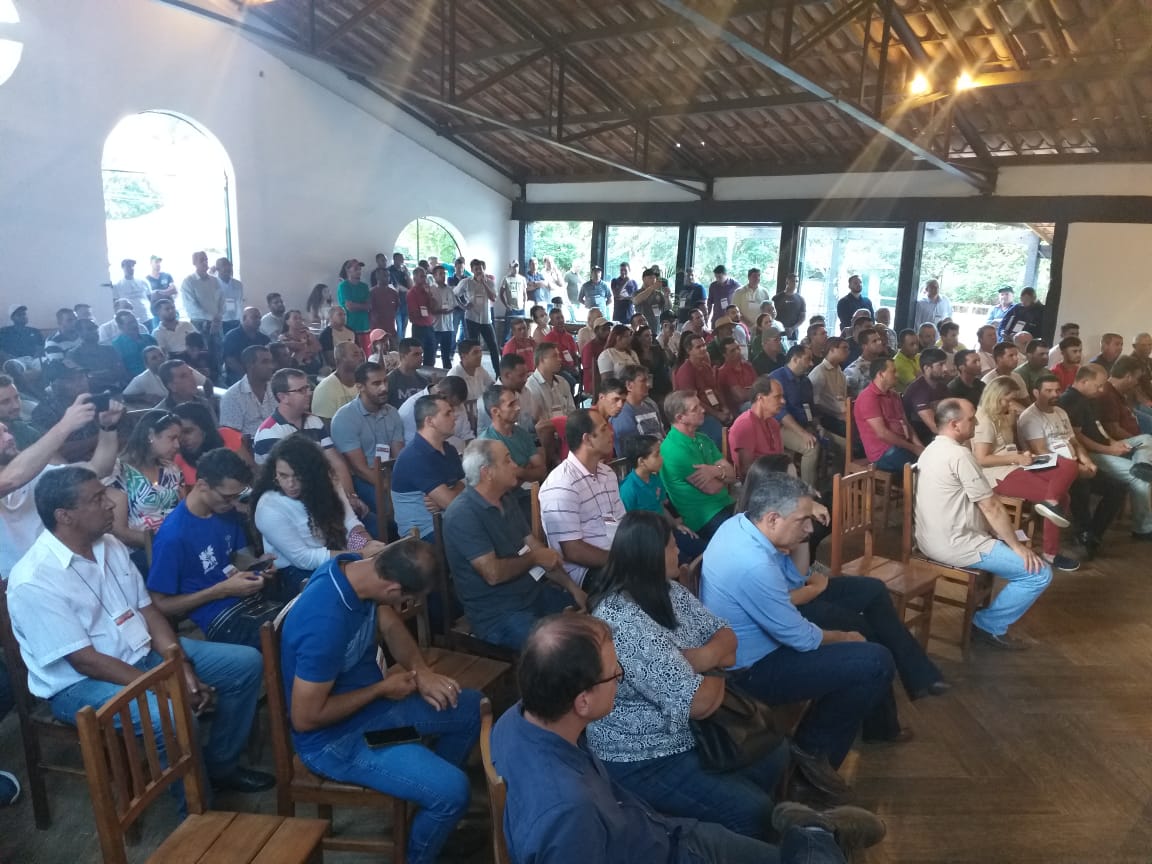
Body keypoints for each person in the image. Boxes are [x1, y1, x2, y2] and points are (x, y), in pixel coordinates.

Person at [493, 613, 881, 864]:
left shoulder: (518, 719)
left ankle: (813, 836)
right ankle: (818, 833)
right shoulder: (569, 813)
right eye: (614, 674)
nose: (621, 678)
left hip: (664, 833)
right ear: (582, 701)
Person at [7, 465, 273, 796]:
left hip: (140, 652)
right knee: (172, 715)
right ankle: (196, 811)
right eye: (97, 498)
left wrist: (180, 665)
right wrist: (167, 685)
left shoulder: (109, 544)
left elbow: (147, 610)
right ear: (65, 516)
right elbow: (85, 660)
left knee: (245, 664)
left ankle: (220, 766)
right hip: (80, 684)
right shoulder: (34, 580)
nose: (111, 504)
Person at [584, 509, 790, 838]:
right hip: (643, 757)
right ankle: (724, 842)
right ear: (651, 555)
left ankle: (728, 835)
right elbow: (700, 703)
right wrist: (714, 663)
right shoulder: (622, 622)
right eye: (671, 545)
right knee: (754, 811)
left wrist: (697, 659)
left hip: (688, 732)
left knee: (774, 753)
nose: (678, 550)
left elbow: (728, 638)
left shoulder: (669, 591)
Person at [279, 538, 482, 864]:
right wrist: (380, 689)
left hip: (379, 714)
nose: (406, 605)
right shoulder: (324, 622)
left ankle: (427, 805)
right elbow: (305, 718)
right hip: (337, 742)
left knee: (471, 707)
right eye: (408, 599)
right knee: (453, 791)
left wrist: (421, 671)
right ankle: (423, 840)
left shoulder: (357, 570)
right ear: (393, 588)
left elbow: (389, 624)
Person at [701, 471, 896, 782]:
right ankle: (810, 761)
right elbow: (802, 638)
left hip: (762, 647)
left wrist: (799, 539)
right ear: (773, 518)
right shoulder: (753, 563)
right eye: (802, 520)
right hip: (750, 671)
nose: (810, 528)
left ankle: (819, 749)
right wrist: (846, 637)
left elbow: (794, 579)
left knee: (862, 639)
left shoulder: (741, 525)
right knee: (874, 661)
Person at [915, 399, 1053, 650]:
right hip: (956, 544)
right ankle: (987, 625)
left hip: (931, 538)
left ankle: (987, 619)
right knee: (1039, 574)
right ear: (955, 424)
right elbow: (991, 506)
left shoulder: (931, 449)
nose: (977, 423)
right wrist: (1016, 546)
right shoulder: (959, 454)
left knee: (1015, 541)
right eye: (971, 419)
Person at [442, 438, 585, 648]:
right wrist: (535, 558)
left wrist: (573, 589)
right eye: (507, 461)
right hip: (498, 615)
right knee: (560, 647)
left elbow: (537, 550)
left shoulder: (506, 499)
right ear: (487, 472)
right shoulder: (462, 514)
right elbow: (493, 573)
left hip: (533, 595)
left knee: (591, 618)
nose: (515, 466)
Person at [148, 448, 293, 644]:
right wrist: (221, 590)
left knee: (307, 613)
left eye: (237, 496)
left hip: (252, 599)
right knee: (291, 636)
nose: (233, 503)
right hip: (219, 615)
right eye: (227, 497)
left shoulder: (226, 513)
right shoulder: (173, 536)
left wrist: (259, 565)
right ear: (202, 485)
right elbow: (160, 604)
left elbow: (240, 559)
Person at [0, 392, 122, 579]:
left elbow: (99, 468)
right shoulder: (17, 475)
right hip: (19, 580)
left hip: (63, 566)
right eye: (0, 436)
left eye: (6, 431)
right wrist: (66, 424)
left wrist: (108, 427)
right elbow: (10, 480)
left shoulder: (35, 471)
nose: (9, 437)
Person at [973, 376, 1079, 571]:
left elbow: (1005, 448)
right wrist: (1017, 458)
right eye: (1007, 400)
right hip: (997, 474)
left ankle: (1050, 502)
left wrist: (1022, 454)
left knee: (1069, 465)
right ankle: (1051, 553)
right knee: (1062, 497)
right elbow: (981, 459)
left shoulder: (1000, 414)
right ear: (995, 397)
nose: (1010, 404)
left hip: (1014, 464)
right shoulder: (984, 420)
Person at [252, 434, 384, 587]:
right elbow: (304, 559)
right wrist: (359, 555)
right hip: (296, 572)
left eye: (298, 476)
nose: (290, 484)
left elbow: (348, 522)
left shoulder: (328, 483)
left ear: (313, 475)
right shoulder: (269, 507)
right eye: (283, 475)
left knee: (380, 570)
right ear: (274, 472)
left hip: (335, 553)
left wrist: (367, 546)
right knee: (364, 584)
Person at [1020, 375, 1125, 560]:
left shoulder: (1060, 412)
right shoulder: (1030, 417)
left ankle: (1091, 534)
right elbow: (1042, 452)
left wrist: (1087, 461)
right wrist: (1075, 468)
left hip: (1073, 463)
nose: (1055, 394)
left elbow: (1075, 442)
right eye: (1048, 391)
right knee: (1080, 487)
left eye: (1057, 390)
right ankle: (1084, 534)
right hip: (1050, 469)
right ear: (1036, 393)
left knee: (1118, 487)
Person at [1058, 364, 1152, 540]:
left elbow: (1098, 428)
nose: (1102, 390)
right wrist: (1109, 449)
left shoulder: (1088, 398)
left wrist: (1113, 443)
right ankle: (1143, 529)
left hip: (1105, 446)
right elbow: (1078, 438)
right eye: (1098, 385)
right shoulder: (1072, 401)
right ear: (1084, 382)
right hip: (1092, 454)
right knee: (1139, 479)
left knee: (1146, 439)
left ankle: (1142, 464)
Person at [539, 409, 626, 591]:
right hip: (584, 571)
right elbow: (572, 551)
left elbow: (622, 521)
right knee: (641, 583)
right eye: (604, 429)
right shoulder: (561, 484)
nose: (611, 433)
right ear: (587, 439)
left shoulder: (607, 473)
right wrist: (622, 560)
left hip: (616, 555)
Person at [106, 410, 185, 573]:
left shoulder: (171, 470)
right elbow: (119, 531)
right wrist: (163, 542)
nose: (177, 445)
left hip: (174, 545)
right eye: (172, 438)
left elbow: (184, 510)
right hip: (136, 554)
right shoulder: (119, 473)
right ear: (150, 435)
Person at [659, 391, 737, 541]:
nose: (703, 410)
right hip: (704, 518)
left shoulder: (702, 438)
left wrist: (714, 471)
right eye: (695, 409)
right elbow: (712, 488)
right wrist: (722, 472)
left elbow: (733, 475)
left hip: (726, 504)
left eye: (700, 405)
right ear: (680, 418)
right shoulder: (673, 449)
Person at [331, 359, 406, 515]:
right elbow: (359, 468)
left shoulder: (392, 412)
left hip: (389, 473)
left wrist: (404, 483)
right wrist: (389, 487)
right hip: (361, 479)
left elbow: (399, 457)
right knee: (393, 508)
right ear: (360, 387)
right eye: (376, 383)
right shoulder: (345, 418)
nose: (384, 388)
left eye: (385, 381)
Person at [391, 394, 465, 541]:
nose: (454, 417)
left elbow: (464, 486)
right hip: (422, 535)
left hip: (447, 520)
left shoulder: (449, 449)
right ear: (430, 421)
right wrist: (451, 497)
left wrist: (448, 497)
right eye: (447, 413)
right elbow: (452, 503)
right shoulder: (414, 456)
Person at [854, 357, 924, 473]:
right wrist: (913, 448)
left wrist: (920, 447)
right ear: (880, 374)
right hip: (882, 452)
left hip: (902, 445)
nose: (897, 375)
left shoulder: (894, 395)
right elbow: (882, 433)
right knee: (922, 467)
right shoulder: (868, 398)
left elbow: (906, 424)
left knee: (929, 458)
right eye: (893, 371)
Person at [768, 345, 821, 487]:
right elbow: (781, 414)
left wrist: (816, 425)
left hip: (803, 424)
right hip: (779, 427)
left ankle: (829, 485)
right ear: (795, 359)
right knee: (811, 448)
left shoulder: (805, 381)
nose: (811, 363)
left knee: (834, 442)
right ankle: (807, 491)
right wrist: (803, 433)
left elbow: (810, 407)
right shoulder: (776, 379)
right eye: (808, 359)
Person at [673, 332, 729, 446]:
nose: (703, 349)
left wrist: (725, 407)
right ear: (689, 351)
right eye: (698, 347)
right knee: (721, 437)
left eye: (704, 345)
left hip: (715, 410)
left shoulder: (706, 366)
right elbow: (692, 402)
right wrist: (717, 414)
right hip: (698, 415)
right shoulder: (685, 372)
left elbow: (716, 389)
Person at [172, 400, 247, 485]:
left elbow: (252, 473)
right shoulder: (177, 460)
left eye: (187, 432)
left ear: (205, 428)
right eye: (177, 434)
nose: (182, 439)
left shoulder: (227, 436)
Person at [728, 376, 787, 478]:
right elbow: (746, 470)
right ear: (760, 398)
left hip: (776, 476)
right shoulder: (745, 424)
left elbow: (780, 457)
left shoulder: (773, 423)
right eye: (777, 397)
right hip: (758, 481)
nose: (783, 401)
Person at [219, 344, 277, 437]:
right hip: (250, 444)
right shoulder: (232, 396)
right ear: (250, 365)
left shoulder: (277, 388)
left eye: (271, 362)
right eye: (265, 362)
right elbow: (230, 436)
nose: (271, 366)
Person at [455, 259, 501, 371]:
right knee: (473, 347)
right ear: (472, 270)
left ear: (483, 269)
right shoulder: (466, 282)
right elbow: (455, 294)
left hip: (486, 319)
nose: (478, 271)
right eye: (476, 269)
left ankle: (498, 373)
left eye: (480, 269)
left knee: (493, 346)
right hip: (471, 318)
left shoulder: (490, 282)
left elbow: (493, 298)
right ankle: (473, 371)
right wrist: (463, 306)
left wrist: (484, 283)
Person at [610, 364, 663, 455]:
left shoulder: (651, 404)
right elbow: (631, 450)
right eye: (643, 381)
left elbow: (662, 434)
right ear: (629, 385)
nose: (649, 385)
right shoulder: (622, 412)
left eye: (648, 380)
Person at [902, 347, 951, 444]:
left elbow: (952, 411)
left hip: (939, 432)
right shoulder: (918, 390)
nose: (946, 368)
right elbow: (934, 427)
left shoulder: (942, 386)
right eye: (941, 365)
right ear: (926, 368)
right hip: (922, 437)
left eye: (945, 363)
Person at [67, 318, 128, 390]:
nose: (95, 331)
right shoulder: (74, 354)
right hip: (93, 393)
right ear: (80, 333)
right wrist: (107, 372)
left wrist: (94, 374)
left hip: (117, 389)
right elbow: (83, 379)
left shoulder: (109, 349)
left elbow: (120, 372)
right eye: (90, 329)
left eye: (95, 327)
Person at [808, 336, 849, 440]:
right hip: (827, 417)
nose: (847, 351)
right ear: (832, 349)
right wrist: (837, 414)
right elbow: (815, 403)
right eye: (844, 348)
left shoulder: (840, 371)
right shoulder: (819, 372)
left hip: (843, 414)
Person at [312, 341, 365, 421]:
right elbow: (324, 425)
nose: (361, 358)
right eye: (355, 355)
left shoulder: (365, 382)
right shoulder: (325, 389)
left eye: (361, 354)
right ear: (341, 358)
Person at [221, 306, 270, 386]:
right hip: (237, 374)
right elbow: (229, 360)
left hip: (259, 373)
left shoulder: (264, 338)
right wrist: (248, 376)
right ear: (244, 318)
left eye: (259, 318)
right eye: (254, 317)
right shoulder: (232, 336)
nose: (258, 320)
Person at [449, 337, 495, 408]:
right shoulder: (454, 375)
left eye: (480, 351)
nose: (480, 355)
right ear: (463, 356)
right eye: (475, 352)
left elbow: (491, 385)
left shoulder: (479, 369)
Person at [716, 337, 757, 416]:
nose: (737, 352)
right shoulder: (724, 371)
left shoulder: (747, 365)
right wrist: (754, 389)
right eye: (732, 351)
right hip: (738, 409)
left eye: (738, 348)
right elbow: (740, 396)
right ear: (725, 355)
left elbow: (760, 386)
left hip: (754, 400)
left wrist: (748, 391)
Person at [843, 327, 887, 399]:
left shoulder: (883, 365)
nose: (879, 343)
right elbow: (846, 398)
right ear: (864, 346)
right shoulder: (854, 369)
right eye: (874, 341)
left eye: (879, 340)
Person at [386, 337, 428, 409]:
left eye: (421, 354)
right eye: (416, 354)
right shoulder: (390, 380)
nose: (421, 358)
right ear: (403, 356)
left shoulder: (423, 381)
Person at [337, 258, 372, 342]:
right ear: (348, 270)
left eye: (359, 269)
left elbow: (369, 306)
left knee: (365, 350)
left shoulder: (364, 286)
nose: (359, 271)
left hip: (364, 326)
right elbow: (349, 307)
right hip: (349, 326)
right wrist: (363, 306)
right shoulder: (344, 286)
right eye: (356, 269)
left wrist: (356, 305)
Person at [317, 304, 357, 369]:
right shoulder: (326, 334)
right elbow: (329, 358)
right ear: (331, 317)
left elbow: (359, 350)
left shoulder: (351, 331)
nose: (343, 317)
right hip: (336, 368)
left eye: (345, 314)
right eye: (340, 314)